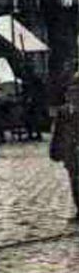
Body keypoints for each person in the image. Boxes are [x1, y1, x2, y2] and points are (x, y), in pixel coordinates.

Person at [50, 74, 79, 219]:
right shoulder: (63, 112)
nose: (75, 97)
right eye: (72, 93)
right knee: (74, 180)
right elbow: (58, 132)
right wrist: (55, 150)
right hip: (71, 152)